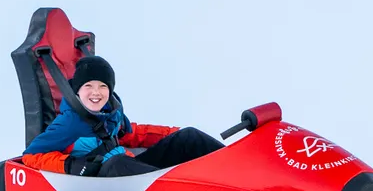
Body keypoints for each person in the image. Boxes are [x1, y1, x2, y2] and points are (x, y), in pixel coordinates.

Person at [22, 55, 223, 177]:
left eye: (103, 86)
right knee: (118, 162)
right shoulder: (69, 123)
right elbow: (31, 156)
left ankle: (233, 169)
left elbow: (132, 134)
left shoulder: (111, 113)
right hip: (105, 180)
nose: (96, 92)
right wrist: (70, 165)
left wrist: (173, 135)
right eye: (88, 86)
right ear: (77, 91)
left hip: (132, 172)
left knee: (189, 136)